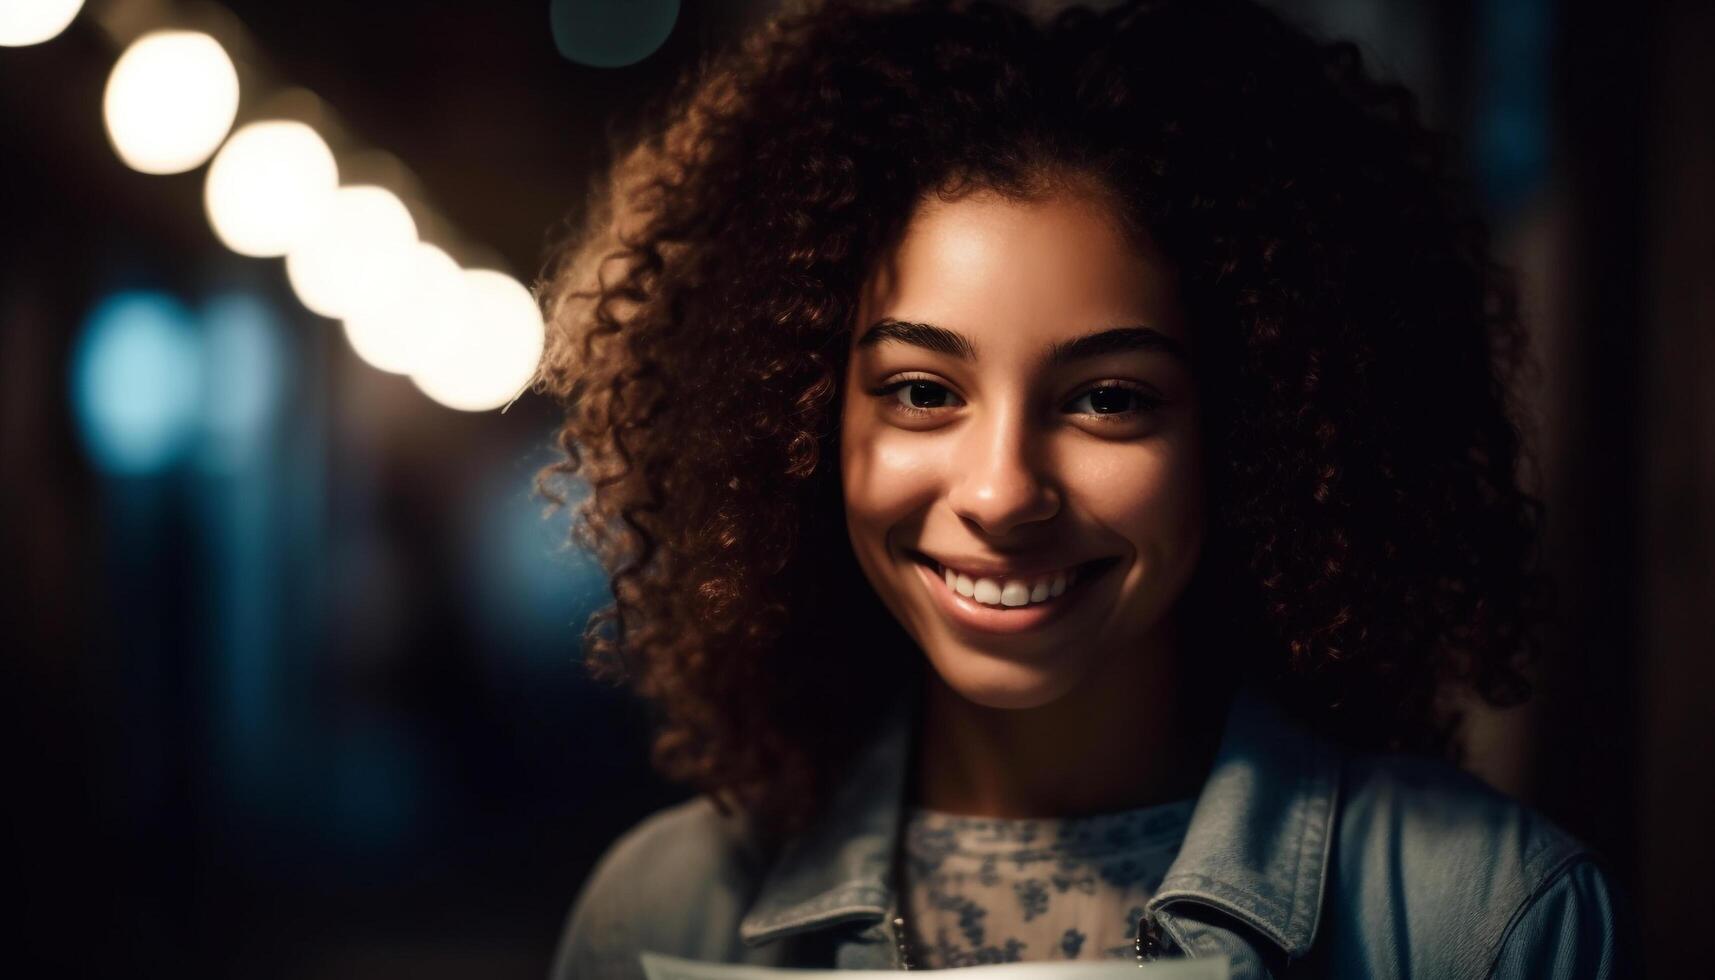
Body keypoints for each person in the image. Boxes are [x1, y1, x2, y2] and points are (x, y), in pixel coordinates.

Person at [533, 0, 1636, 976]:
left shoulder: (1489, 919)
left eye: (1107, 398)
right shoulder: (659, 906)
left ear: (1252, 432)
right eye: (920, 390)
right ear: (802, 420)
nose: (1003, 489)